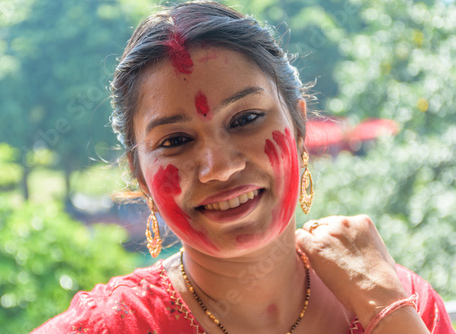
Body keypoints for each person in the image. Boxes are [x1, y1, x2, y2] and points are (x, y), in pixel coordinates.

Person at [32, 1, 454, 333]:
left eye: (246, 119)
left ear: (300, 125)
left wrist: (386, 311)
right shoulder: (108, 328)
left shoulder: (401, 302)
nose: (219, 168)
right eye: (175, 141)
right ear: (139, 173)